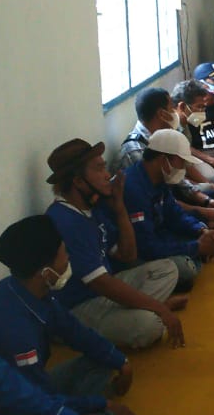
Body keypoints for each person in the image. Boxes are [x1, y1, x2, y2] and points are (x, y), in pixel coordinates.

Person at [0, 215, 145, 415]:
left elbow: (73, 330)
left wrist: (121, 362)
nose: (68, 259)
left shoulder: (21, 289)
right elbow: (35, 399)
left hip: (31, 383)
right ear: (45, 273)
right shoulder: (18, 333)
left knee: (104, 359)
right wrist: (103, 404)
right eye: (64, 254)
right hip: (13, 411)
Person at [43, 138, 185, 350]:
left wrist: (119, 208)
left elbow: (128, 255)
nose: (107, 175)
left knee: (168, 269)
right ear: (78, 181)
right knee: (151, 326)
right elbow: (101, 283)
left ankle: (139, 310)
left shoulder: (91, 209)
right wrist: (160, 309)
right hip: (80, 305)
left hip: (104, 292)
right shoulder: (65, 220)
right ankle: (74, 332)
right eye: (99, 169)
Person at [122, 129, 214, 289]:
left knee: (202, 231)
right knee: (187, 268)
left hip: (159, 235)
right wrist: (196, 247)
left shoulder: (160, 179)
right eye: (181, 162)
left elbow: (175, 214)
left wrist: (201, 231)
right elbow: (146, 246)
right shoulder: (133, 188)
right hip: (139, 250)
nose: (184, 168)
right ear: (164, 160)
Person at [118, 87, 214, 226]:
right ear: (161, 114)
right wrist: (202, 210)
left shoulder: (166, 133)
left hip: (170, 195)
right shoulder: (135, 151)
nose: (175, 111)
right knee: (202, 222)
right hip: (155, 209)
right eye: (171, 107)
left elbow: (179, 180)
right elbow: (162, 200)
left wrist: (207, 200)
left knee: (213, 195)